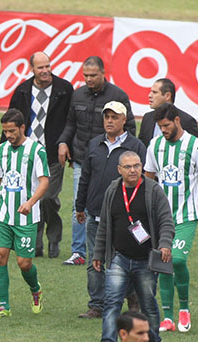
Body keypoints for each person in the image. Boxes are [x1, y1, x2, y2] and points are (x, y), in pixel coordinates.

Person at [91, 151, 173, 342]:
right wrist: (98, 254)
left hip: (145, 259)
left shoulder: (153, 190)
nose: (133, 170)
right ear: (119, 170)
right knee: (111, 302)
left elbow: (166, 221)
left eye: (137, 165)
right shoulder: (112, 190)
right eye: (128, 167)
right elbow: (105, 226)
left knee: (148, 303)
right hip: (119, 257)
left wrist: (164, 244)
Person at [144, 103, 198, 333]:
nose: (163, 130)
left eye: (166, 125)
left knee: (177, 260)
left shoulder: (196, 146)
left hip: (187, 215)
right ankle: (167, 317)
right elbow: (149, 178)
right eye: (160, 126)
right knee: (163, 263)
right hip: (162, 217)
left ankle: (184, 308)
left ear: (176, 120)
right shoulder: (154, 146)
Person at [58, 56, 136, 267]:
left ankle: (115, 248)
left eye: (93, 75)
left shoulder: (118, 95)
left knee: (116, 203)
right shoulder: (78, 95)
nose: (89, 79)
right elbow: (70, 124)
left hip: (111, 160)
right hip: (83, 157)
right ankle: (78, 251)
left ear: (103, 73)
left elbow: (130, 127)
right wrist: (63, 142)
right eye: (85, 76)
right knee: (78, 205)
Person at [76, 101, 146, 320]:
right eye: (106, 116)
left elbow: (143, 181)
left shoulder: (136, 147)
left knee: (122, 261)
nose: (109, 120)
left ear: (124, 120)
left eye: (114, 117)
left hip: (123, 216)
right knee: (94, 262)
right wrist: (80, 206)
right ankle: (97, 305)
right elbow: (85, 177)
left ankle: (132, 298)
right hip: (95, 212)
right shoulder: (95, 144)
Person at [4, 51, 73, 258]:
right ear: (32, 69)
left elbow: (72, 121)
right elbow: (9, 122)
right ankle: (35, 244)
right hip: (27, 156)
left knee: (48, 198)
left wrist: (66, 144)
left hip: (53, 156)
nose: (45, 71)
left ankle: (53, 239)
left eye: (48, 66)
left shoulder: (64, 89)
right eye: (41, 67)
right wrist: (5, 152)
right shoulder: (23, 91)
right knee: (30, 199)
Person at [0, 108, 49, 318]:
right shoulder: (1, 150)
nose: (9, 136)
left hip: (26, 218)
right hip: (3, 215)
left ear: (22, 127)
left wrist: (30, 202)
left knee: (24, 263)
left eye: (12, 131)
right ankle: (4, 306)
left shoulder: (36, 151)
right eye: (5, 132)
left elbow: (45, 180)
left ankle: (35, 289)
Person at [137, 78, 198, 148]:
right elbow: (141, 147)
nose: (150, 95)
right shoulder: (147, 118)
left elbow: (193, 149)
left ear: (167, 96)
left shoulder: (187, 121)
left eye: (154, 92)